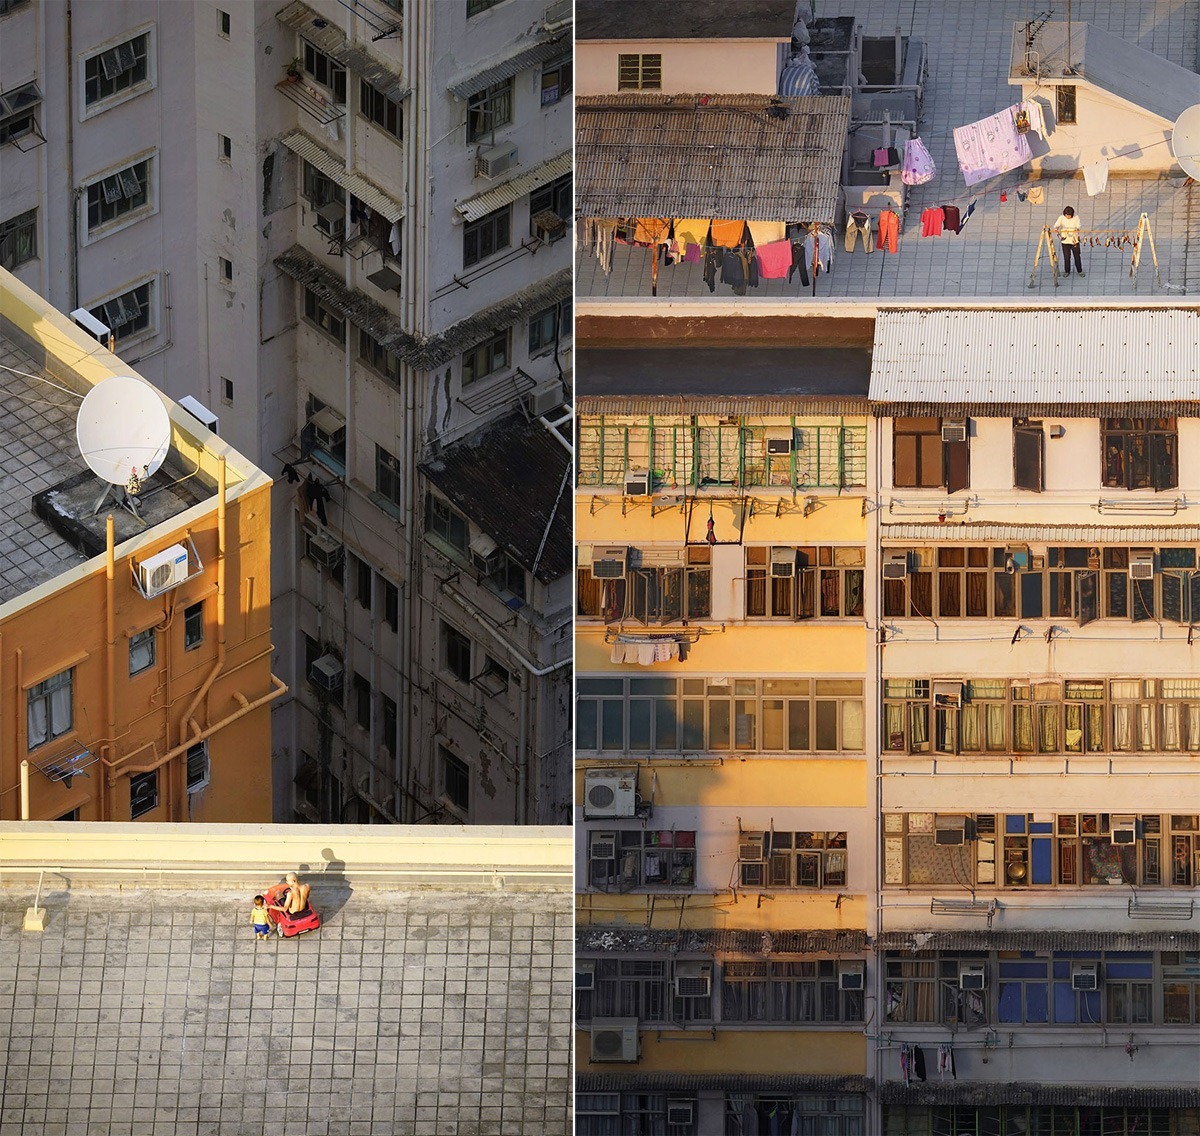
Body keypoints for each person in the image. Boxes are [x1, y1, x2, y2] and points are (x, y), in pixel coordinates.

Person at [1054, 205, 1084, 277]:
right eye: (1066, 215)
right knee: (1066, 257)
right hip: (1065, 240)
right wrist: (1056, 229)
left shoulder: (1076, 217)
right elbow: (1056, 225)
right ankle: (1067, 271)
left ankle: (1080, 271)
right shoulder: (1061, 218)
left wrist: (1077, 229)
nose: (1067, 216)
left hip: (1074, 240)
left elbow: (1079, 226)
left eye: (1069, 215)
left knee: (1077, 256)